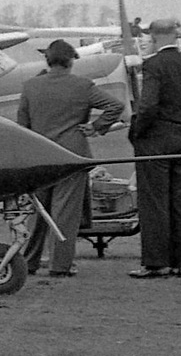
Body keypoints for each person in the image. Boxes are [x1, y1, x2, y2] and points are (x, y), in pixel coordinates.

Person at [16, 39, 124, 276]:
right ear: (71, 60)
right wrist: (96, 126)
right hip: (71, 156)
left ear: (48, 60)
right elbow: (115, 106)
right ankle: (60, 265)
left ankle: (29, 261)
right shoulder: (83, 86)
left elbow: (22, 126)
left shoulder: (30, 87)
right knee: (64, 213)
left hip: (39, 156)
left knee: (37, 212)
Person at [127, 19, 181, 278]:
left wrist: (138, 131)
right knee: (177, 200)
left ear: (154, 37)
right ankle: (177, 261)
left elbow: (149, 105)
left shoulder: (153, 65)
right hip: (180, 138)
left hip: (155, 140)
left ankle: (155, 262)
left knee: (153, 202)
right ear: (175, 36)